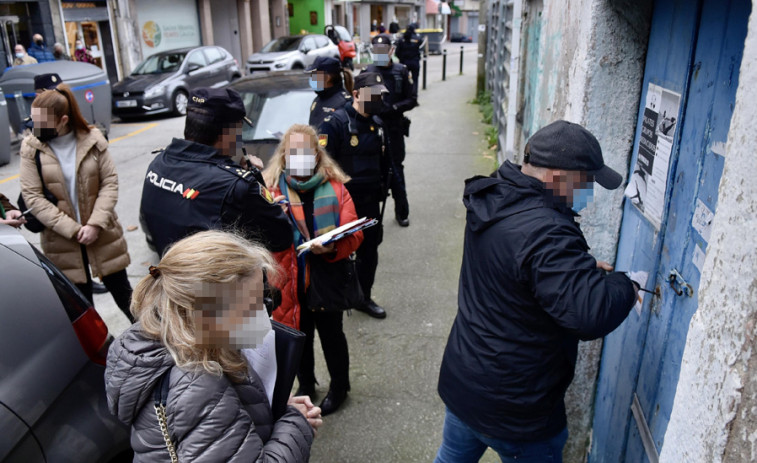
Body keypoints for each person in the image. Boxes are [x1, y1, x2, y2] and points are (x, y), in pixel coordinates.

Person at [435, 120, 639, 462]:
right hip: (515, 409)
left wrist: (578, 272)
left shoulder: (497, 197)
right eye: (586, 182)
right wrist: (626, 284)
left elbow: (519, 274)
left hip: (465, 383)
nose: (589, 191)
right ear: (560, 177)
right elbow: (588, 313)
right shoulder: (546, 231)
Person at [104, 230, 321, 461]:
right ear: (209, 315)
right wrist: (296, 422)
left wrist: (274, 408)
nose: (262, 316)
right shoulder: (199, 387)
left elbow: (222, 426)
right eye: (252, 306)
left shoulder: (159, 333)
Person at [263, 124, 364, 416]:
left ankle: (340, 387)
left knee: (333, 337)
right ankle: (306, 385)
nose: (300, 157)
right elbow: (260, 239)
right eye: (293, 152)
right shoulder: (271, 192)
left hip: (326, 279)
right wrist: (273, 218)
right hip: (288, 282)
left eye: (306, 151)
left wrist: (332, 249)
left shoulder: (335, 187)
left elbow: (355, 233)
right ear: (284, 155)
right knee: (299, 338)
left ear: (317, 155)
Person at [19, 83, 133, 322]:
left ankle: (157, 352)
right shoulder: (31, 147)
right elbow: (32, 196)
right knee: (83, 314)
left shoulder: (93, 139)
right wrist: (72, 229)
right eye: (34, 121)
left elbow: (109, 183)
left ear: (63, 120)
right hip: (62, 242)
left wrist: (94, 224)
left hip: (103, 235)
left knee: (129, 301)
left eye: (42, 123)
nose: (35, 128)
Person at [139, 87, 292, 257]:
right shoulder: (238, 186)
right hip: (225, 282)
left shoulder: (159, 163)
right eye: (239, 129)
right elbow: (281, 237)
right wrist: (255, 182)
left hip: (174, 277)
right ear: (227, 133)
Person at [318, 71, 388, 319]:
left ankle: (363, 298)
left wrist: (397, 196)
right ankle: (338, 297)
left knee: (370, 253)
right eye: (374, 95)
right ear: (356, 94)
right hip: (342, 205)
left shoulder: (379, 125)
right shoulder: (335, 124)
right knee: (340, 253)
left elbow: (386, 166)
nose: (379, 100)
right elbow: (325, 167)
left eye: (381, 95)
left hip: (370, 203)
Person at [366, 34, 418, 227]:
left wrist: (394, 108)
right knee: (373, 172)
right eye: (376, 51)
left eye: (383, 51)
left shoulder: (401, 71)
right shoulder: (368, 72)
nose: (379, 55)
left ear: (391, 51)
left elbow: (412, 98)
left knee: (396, 170)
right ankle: (370, 218)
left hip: (394, 129)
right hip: (372, 129)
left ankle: (401, 212)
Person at [306, 56, 354, 129]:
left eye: (314, 74)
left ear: (327, 78)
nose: (311, 78)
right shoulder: (319, 98)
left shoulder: (344, 103)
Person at [395, 24, 423, 94]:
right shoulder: (417, 39)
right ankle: (414, 95)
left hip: (404, 63)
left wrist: (401, 58)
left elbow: (397, 52)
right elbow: (420, 43)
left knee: (404, 79)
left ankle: (405, 95)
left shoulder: (401, 40)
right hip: (415, 62)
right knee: (415, 80)